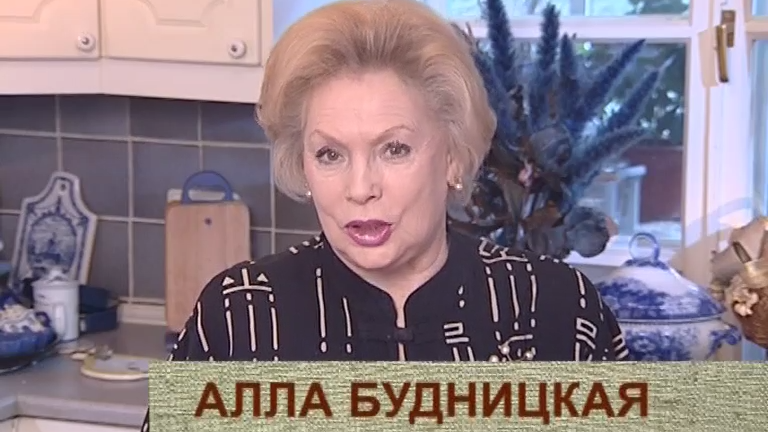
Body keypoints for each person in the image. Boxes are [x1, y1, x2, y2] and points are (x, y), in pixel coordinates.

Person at [140, 0, 628, 429]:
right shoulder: (239, 315)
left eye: (394, 149)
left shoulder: (555, 307)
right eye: (330, 154)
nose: (360, 189)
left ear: (452, 157)